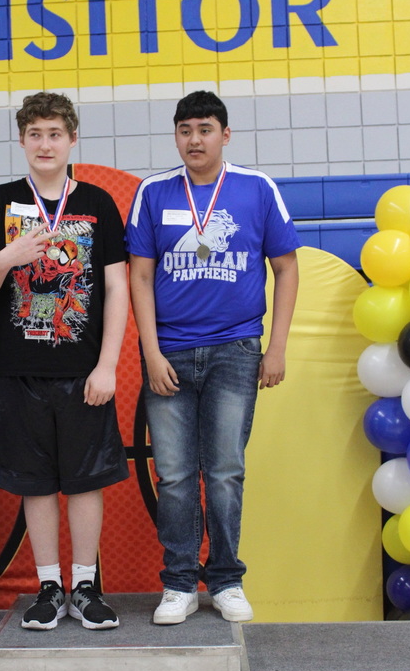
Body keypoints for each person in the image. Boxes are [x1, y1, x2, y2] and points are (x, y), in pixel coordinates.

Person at [126, 90, 299, 625]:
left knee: (224, 471)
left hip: (236, 350)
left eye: (204, 129)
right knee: (175, 475)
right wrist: (150, 352)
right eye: (185, 130)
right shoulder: (154, 193)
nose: (194, 140)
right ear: (175, 136)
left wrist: (276, 347)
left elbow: (287, 268)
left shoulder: (256, 189)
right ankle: (179, 582)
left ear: (225, 134)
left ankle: (225, 579)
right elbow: (140, 275)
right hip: (170, 353)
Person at [0, 92, 128, 630]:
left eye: (54, 134)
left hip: (84, 370)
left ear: (71, 140)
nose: (44, 144)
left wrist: (107, 365)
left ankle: (85, 584)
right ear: (21, 141)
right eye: (34, 134)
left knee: (85, 482)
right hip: (20, 370)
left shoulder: (98, 204)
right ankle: (48, 586)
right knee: (35, 483)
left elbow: (117, 287)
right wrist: (11, 257)